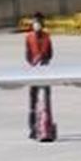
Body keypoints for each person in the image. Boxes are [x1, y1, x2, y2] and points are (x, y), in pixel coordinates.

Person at [25, 11, 54, 139]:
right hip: (33, 71)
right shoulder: (29, 37)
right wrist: (32, 62)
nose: (37, 24)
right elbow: (27, 54)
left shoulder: (47, 37)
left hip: (44, 70)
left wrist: (44, 59)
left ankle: (47, 124)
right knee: (33, 99)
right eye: (35, 22)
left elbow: (50, 53)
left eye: (39, 22)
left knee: (46, 98)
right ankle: (33, 128)